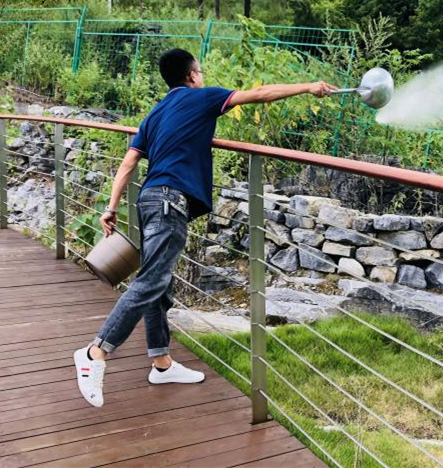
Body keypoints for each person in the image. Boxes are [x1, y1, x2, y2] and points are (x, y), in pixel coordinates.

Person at [74, 48, 337, 407]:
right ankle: (95, 353)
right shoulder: (203, 98)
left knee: (158, 286)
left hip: (149, 199)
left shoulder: (155, 114)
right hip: (169, 202)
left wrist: (111, 207)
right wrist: (308, 87)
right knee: (150, 282)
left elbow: (128, 162)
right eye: (201, 71)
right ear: (193, 76)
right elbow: (260, 94)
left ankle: (162, 365)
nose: (203, 76)